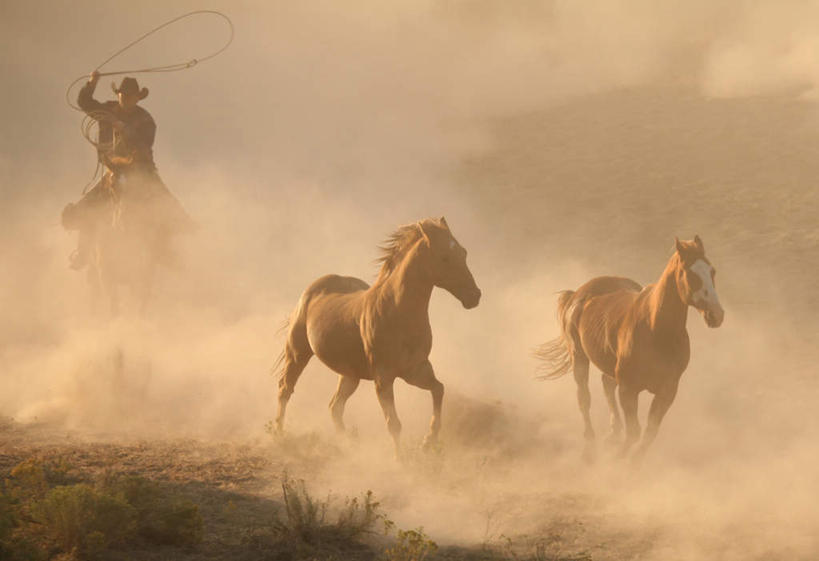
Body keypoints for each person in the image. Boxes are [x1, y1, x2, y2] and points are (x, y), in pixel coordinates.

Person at [62, 71, 191, 270]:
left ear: (138, 98)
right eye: (123, 95)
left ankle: (166, 252)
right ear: (118, 95)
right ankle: (84, 252)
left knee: (167, 205)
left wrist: (125, 129)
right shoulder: (108, 110)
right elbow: (84, 102)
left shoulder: (146, 120)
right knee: (88, 208)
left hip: (141, 170)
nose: (126, 99)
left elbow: (145, 145)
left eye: (131, 96)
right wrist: (92, 82)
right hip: (113, 169)